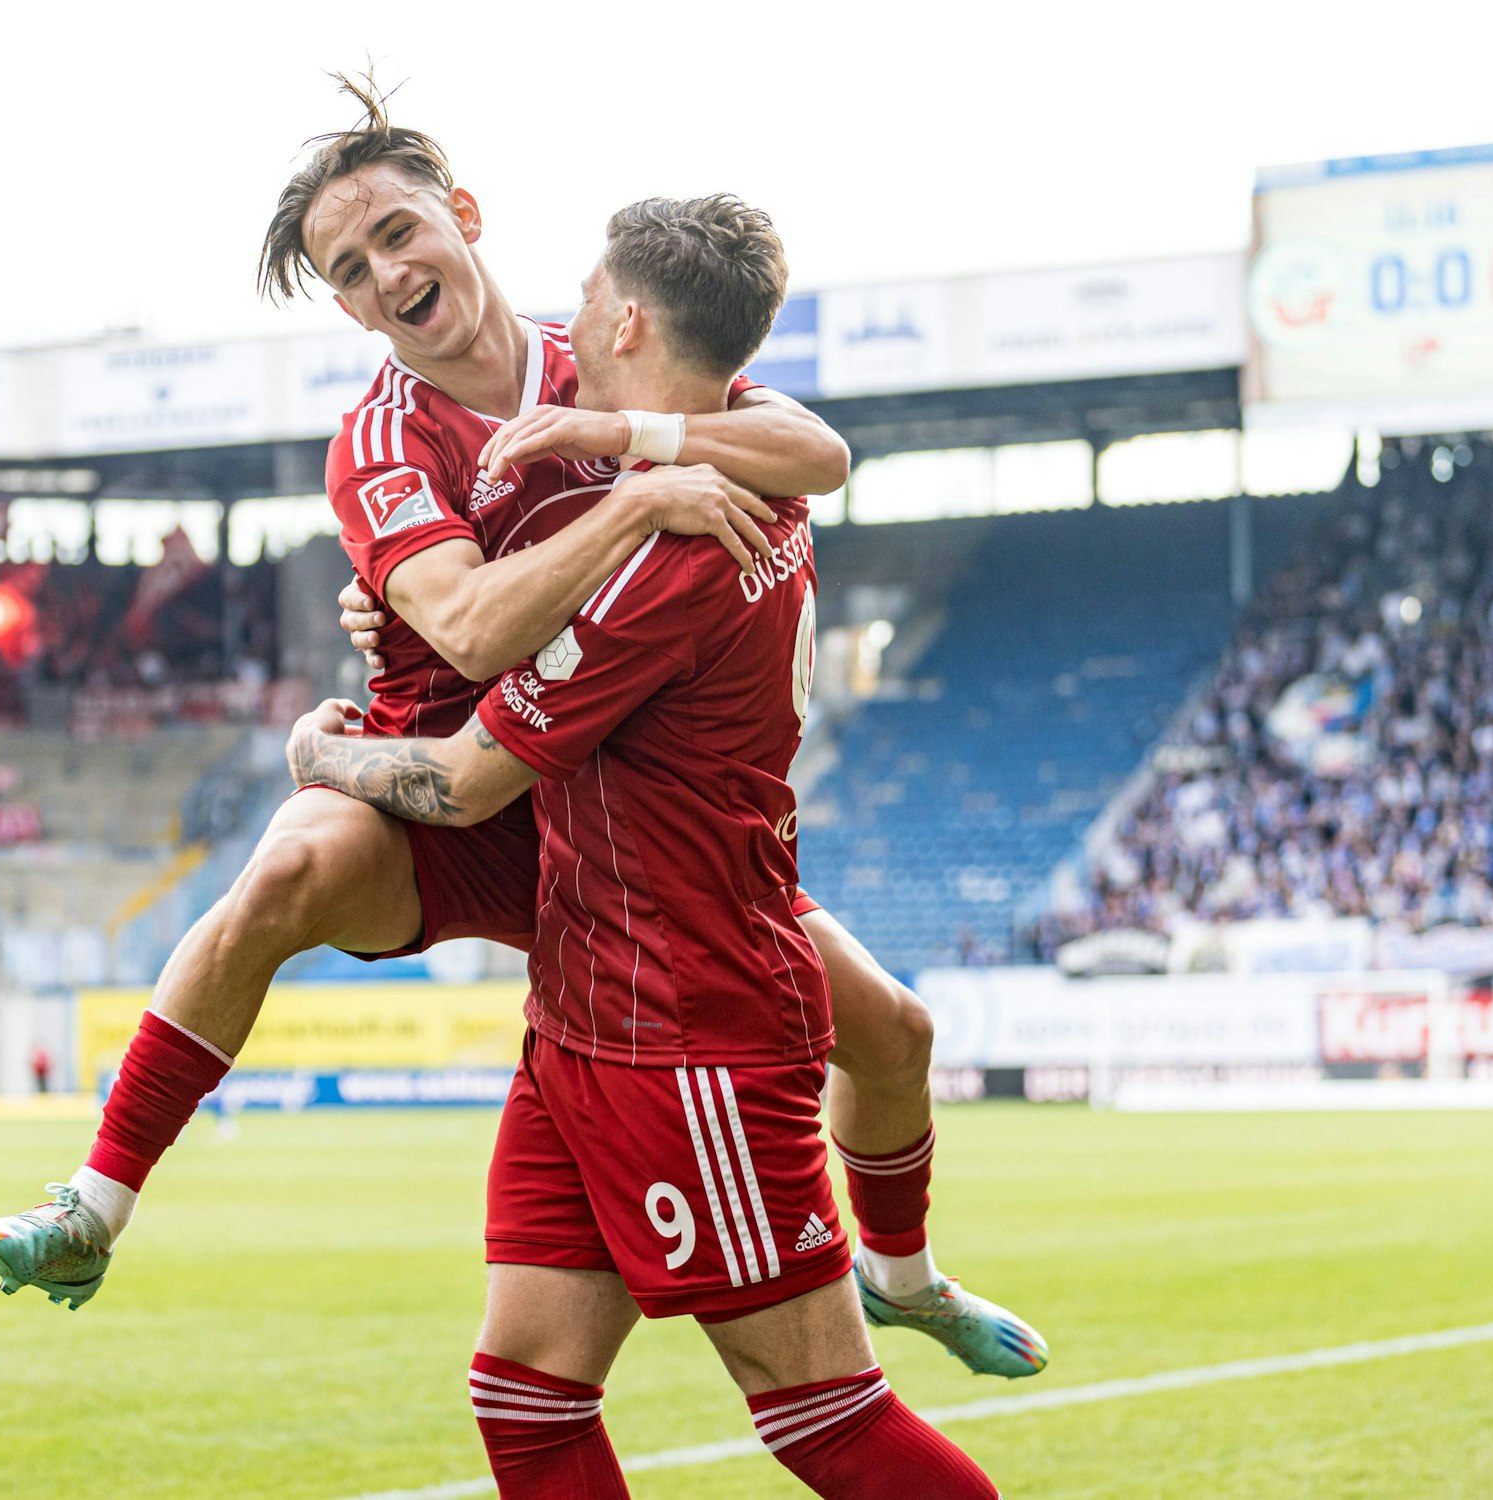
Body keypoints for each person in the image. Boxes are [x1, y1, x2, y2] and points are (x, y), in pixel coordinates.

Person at [0, 80, 1045, 1384]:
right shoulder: (380, 442)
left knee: (894, 1035)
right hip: (451, 793)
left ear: (461, 215)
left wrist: (619, 433)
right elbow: (471, 631)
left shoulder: (604, 353)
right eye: (349, 271)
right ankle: (92, 1209)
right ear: (349, 308)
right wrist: (637, 504)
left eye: (396, 232)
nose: (384, 273)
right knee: (290, 865)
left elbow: (814, 452)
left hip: (625, 823)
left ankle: (902, 1279)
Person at [287, 193, 994, 1497]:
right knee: (526, 1398)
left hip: (681, 1017)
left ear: (620, 320)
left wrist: (319, 754)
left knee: (823, 1418)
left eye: (585, 292)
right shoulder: (737, 475)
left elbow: (467, 782)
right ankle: (907, 1273)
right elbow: (807, 450)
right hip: (587, 1000)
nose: (565, 320)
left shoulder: (661, 559)